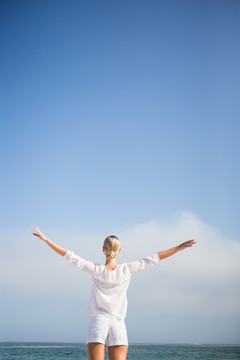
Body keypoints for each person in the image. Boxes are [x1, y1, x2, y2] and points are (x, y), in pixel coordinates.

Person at [31, 224, 196, 360]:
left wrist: (46, 240)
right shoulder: (126, 270)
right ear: (119, 250)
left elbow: (70, 256)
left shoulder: (96, 270)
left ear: (103, 249)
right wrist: (178, 247)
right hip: (118, 324)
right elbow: (154, 258)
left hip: (99, 323)